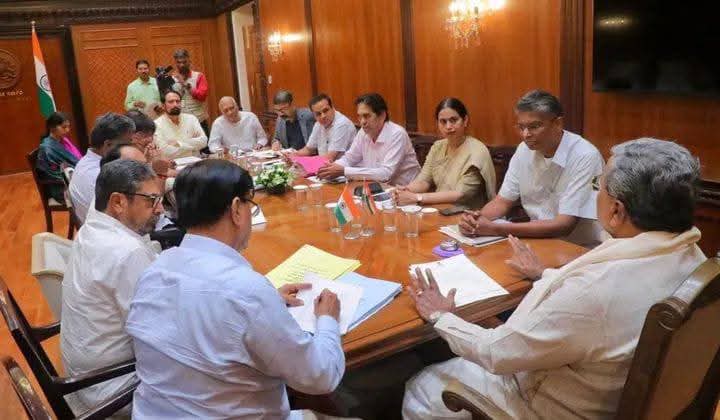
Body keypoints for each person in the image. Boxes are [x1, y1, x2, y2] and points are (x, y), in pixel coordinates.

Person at [402, 138, 707, 419]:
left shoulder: (591, 291)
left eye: (597, 185)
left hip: (545, 405)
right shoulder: (694, 256)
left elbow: (497, 352)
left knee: (422, 387)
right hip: (616, 395)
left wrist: (442, 316)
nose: (595, 193)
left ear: (616, 211)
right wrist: (544, 275)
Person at [125, 160, 345, 418]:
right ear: (236, 209)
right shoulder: (246, 291)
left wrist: (268, 301)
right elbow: (321, 376)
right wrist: (327, 319)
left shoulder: (154, 270)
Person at [61, 159, 163, 415]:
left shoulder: (91, 228)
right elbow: (157, 334)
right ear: (118, 202)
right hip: (114, 387)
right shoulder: (126, 251)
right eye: (151, 200)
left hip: (84, 376)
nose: (159, 209)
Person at [460, 90, 604, 246]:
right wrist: (475, 220)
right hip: (538, 240)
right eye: (521, 127)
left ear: (557, 124)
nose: (526, 134)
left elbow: (564, 225)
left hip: (579, 247)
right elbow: (502, 202)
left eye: (534, 126)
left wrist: (495, 229)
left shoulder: (585, 156)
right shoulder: (523, 150)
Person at [394, 98, 496, 209]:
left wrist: (417, 197)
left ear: (465, 120)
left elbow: (460, 194)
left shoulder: (477, 152)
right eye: (443, 122)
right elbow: (424, 181)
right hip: (439, 209)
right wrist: (406, 190)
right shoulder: (438, 147)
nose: (448, 127)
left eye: (453, 120)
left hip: (468, 214)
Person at [318, 93, 420, 185]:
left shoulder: (397, 134)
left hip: (406, 191)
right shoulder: (363, 132)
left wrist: (344, 171)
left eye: (366, 116)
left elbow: (386, 173)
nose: (362, 122)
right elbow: (349, 158)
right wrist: (330, 168)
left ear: (382, 115)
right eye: (359, 117)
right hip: (376, 188)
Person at [69, 112, 135, 223]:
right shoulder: (101, 174)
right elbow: (128, 214)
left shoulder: (86, 161)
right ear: (108, 145)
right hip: (109, 228)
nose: (130, 148)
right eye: (127, 144)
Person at [292, 93, 357, 162]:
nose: (323, 116)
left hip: (342, 167)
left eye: (325, 110)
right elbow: (309, 149)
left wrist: (301, 161)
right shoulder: (318, 124)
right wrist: (293, 156)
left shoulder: (342, 124)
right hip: (326, 165)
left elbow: (330, 158)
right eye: (318, 114)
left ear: (332, 108)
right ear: (314, 115)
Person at [36, 112, 81, 203]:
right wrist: (76, 177)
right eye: (64, 127)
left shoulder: (63, 140)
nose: (67, 130)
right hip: (61, 188)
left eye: (68, 126)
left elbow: (76, 158)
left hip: (73, 178)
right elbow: (49, 174)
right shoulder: (46, 149)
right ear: (52, 127)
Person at [153, 90, 208, 159]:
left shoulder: (191, 119)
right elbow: (164, 151)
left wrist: (179, 144)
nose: (175, 105)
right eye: (171, 102)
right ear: (163, 105)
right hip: (173, 164)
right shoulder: (157, 124)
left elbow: (204, 141)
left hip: (195, 162)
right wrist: (192, 147)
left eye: (178, 101)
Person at [172, 48, 210, 135]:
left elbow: (202, 96)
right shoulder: (172, 79)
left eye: (184, 62)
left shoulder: (199, 76)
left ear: (189, 61)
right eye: (179, 62)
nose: (181, 65)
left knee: (204, 143)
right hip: (181, 122)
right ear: (175, 63)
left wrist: (184, 83)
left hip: (199, 120)